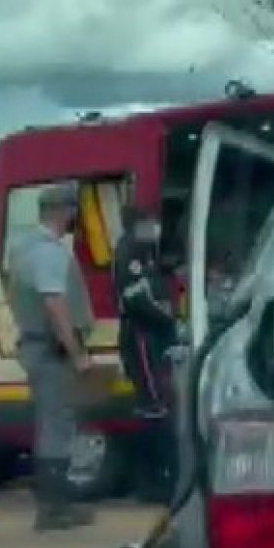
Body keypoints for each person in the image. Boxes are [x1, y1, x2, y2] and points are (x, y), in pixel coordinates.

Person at [6, 182, 97, 531]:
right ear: (64, 211)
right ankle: (54, 509)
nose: (75, 216)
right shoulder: (48, 253)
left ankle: (55, 505)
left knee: (52, 425)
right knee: (56, 427)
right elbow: (54, 303)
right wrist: (77, 353)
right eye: (73, 209)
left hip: (37, 348)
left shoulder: (26, 248)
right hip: (51, 350)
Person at [113, 205, 179, 504]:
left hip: (153, 335)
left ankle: (157, 478)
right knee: (153, 407)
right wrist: (168, 319)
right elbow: (135, 299)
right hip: (142, 336)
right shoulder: (130, 251)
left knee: (157, 405)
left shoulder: (144, 251)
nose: (156, 227)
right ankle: (152, 482)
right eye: (150, 222)